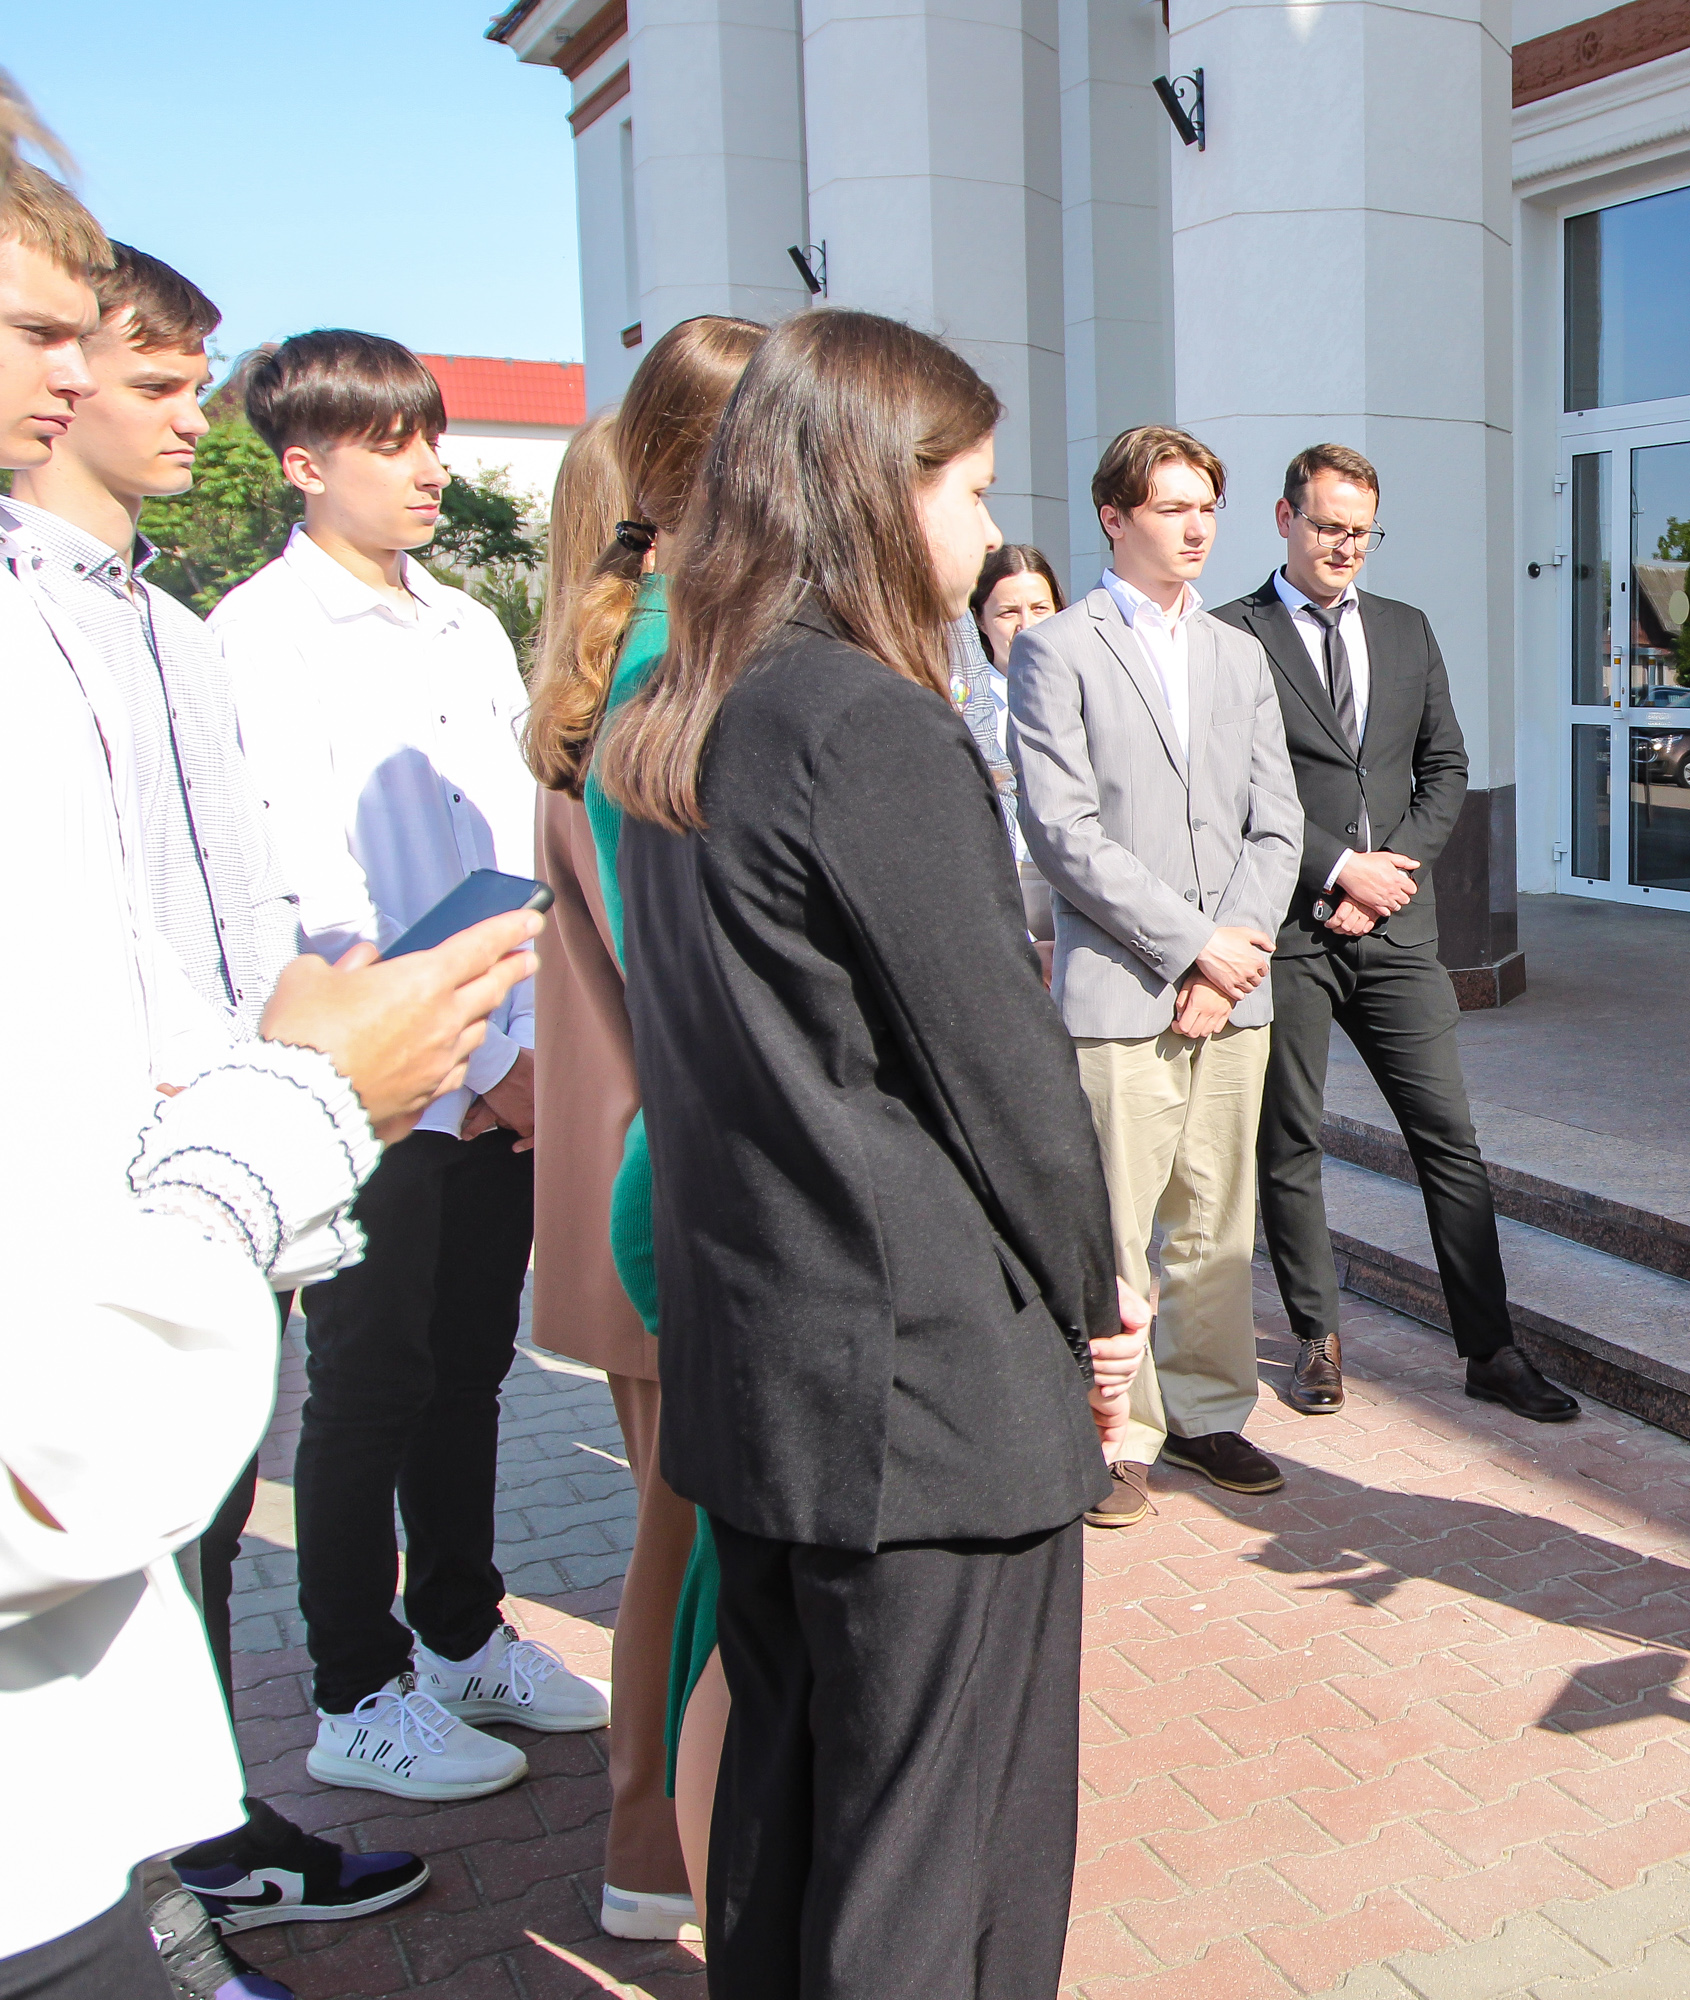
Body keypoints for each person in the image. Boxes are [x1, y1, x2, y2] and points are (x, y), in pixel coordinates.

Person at [599, 307, 1148, 1999]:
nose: (989, 531)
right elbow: (1002, 1073)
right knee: (938, 1858)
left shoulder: (680, 710)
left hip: (768, 1370)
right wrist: (1099, 1304)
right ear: (872, 490)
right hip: (924, 1400)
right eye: (969, 488)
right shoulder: (867, 728)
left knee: (789, 1810)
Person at [1, 239, 430, 1950]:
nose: (194, 417)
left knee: (200, 1520)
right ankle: (155, 1899)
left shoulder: (166, 631)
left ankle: (201, 1841)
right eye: (151, 379)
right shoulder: (55, 621)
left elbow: (238, 889)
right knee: (113, 1516)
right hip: (125, 1168)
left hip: (249, 1129)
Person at [215, 329, 607, 1803]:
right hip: (379, 1079)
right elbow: (318, 886)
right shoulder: (259, 636)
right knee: (365, 1383)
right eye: (393, 442)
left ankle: (458, 1631)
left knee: (468, 1370)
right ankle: (352, 1686)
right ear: (306, 463)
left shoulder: (455, 623)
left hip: (496, 1056)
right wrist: (466, 1060)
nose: (431, 467)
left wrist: (519, 1048)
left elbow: (510, 843)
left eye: (433, 437)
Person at [521, 309, 764, 1943]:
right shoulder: (687, 673)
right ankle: (678, 1855)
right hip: (688, 1186)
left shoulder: (627, 648)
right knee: (708, 1558)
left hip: (639, 1175)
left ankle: (645, 1849)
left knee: (675, 1535)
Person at [1210, 445, 1575, 1423]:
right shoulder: (1229, 638)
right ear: (1284, 518)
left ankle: (1490, 1347)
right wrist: (1335, 868)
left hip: (1398, 931)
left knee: (1448, 1137)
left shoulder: (1407, 631)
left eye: (1362, 530)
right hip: (1288, 929)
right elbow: (1236, 794)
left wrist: (1387, 875)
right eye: (1329, 525)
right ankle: (1317, 1339)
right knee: (1290, 1139)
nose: (1346, 546)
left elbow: (1445, 767)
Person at [1010, 425, 1302, 1530]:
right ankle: (1119, 1431)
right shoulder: (1058, 648)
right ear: (1114, 517)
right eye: (1171, 505)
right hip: (1120, 990)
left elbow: (1277, 825)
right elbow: (1064, 832)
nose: (1195, 527)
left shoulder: (1239, 653)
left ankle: (1210, 1411)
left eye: (1207, 507)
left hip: (1237, 992)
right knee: (1118, 1220)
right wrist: (1191, 947)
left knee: (1219, 1218)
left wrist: (1228, 959)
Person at [964, 544, 1062, 952]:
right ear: (980, 621)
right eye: (1008, 612)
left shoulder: (1084, 691)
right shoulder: (964, 710)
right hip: (1005, 887)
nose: (1027, 625)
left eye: (1040, 608)